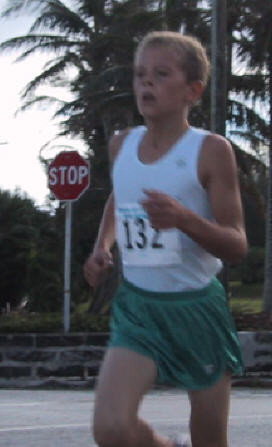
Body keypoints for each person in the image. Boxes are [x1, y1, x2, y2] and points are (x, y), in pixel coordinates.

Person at [84, 30, 247, 447]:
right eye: (140, 74)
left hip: (197, 309)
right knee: (111, 427)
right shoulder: (121, 145)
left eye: (160, 74)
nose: (146, 83)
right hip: (138, 309)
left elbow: (237, 243)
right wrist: (102, 246)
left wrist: (185, 220)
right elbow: (121, 195)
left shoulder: (210, 150)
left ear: (192, 90)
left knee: (210, 439)